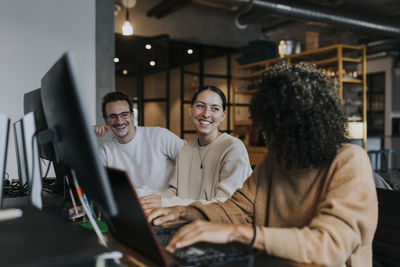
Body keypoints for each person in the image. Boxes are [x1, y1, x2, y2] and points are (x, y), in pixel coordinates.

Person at [147, 62, 378, 267]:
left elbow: (329, 245)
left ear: (307, 125)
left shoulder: (349, 161)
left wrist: (240, 234)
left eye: (277, 130)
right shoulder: (276, 159)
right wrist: (185, 211)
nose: (268, 136)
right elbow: (236, 209)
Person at [140, 86, 252, 211]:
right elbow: (175, 193)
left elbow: (224, 206)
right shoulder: (186, 150)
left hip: (220, 227)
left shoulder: (233, 148)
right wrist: (145, 198)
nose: (206, 114)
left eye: (215, 108)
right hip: (186, 220)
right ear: (191, 110)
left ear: (222, 116)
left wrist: (165, 203)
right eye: (200, 106)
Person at [95, 91, 185, 191]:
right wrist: (90, 138)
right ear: (106, 120)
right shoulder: (106, 151)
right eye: (113, 116)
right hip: (131, 205)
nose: (119, 121)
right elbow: (91, 181)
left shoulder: (159, 136)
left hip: (166, 203)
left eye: (124, 114)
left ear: (132, 116)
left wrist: (177, 191)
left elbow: (192, 159)